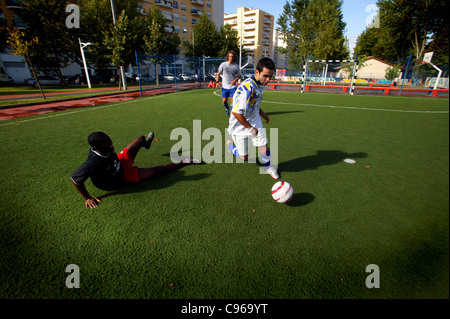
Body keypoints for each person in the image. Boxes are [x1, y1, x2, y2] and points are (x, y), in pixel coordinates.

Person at [71, 131, 199, 208]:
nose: (110, 143)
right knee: (158, 171)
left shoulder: (106, 148)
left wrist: (112, 151)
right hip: (122, 177)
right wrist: (87, 197)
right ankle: (185, 161)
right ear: (96, 147)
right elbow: (75, 179)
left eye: (109, 140)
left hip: (120, 161)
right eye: (106, 143)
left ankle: (146, 144)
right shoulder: (92, 162)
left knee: (141, 139)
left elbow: (111, 150)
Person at [227, 57, 279, 180]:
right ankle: (231, 147)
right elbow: (236, 113)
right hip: (239, 125)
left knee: (263, 147)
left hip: (254, 120)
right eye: (266, 76)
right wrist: (250, 129)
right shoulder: (246, 89)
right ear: (257, 72)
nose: (268, 80)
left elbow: (254, 104)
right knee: (244, 157)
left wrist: (262, 114)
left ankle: (269, 167)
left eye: (270, 76)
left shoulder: (260, 84)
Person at [216, 50, 241, 116]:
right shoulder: (223, 65)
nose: (231, 58)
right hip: (225, 87)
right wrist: (217, 82)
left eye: (232, 57)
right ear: (228, 57)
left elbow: (239, 76)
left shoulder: (236, 66)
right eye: (230, 56)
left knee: (233, 102)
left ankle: (232, 115)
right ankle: (227, 108)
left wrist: (235, 80)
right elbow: (218, 74)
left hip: (233, 87)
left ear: (234, 57)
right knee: (224, 101)